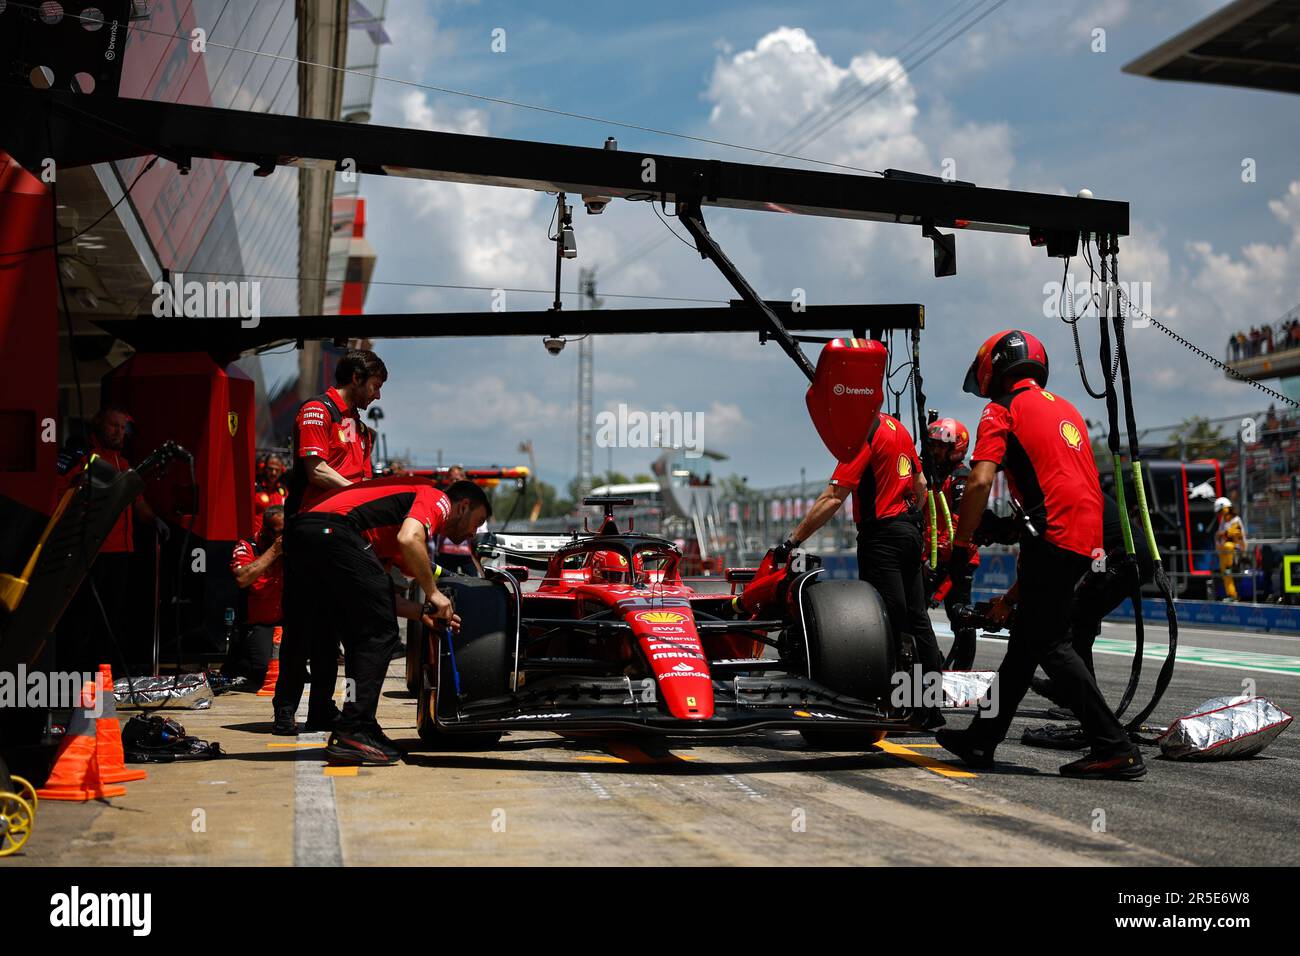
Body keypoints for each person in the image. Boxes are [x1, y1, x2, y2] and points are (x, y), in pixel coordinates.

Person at [936, 329, 1145, 780]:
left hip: (1055, 533)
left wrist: (960, 544)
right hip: (1088, 534)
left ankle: (1114, 746)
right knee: (1028, 642)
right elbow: (1067, 485)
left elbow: (977, 482)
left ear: (995, 367)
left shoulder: (1002, 409)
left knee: (1050, 642)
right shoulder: (1066, 408)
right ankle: (980, 740)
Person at [285, 478, 491, 765]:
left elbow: (381, 596)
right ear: (463, 506)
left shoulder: (381, 534)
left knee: (362, 637)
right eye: (477, 522)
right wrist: (433, 594)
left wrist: (422, 613)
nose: (472, 533)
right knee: (380, 634)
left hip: (304, 532)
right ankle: (354, 728)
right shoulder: (436, 498)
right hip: (331, 529)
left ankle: (356, 724)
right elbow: (409, 539)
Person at [779, 411, 945, 730]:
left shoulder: (865, 433)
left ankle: (894, 702)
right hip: (909, 529)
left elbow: (833, 497)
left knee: (886, 621)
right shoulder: (899, 428)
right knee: (917, 618)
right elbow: (921, 485)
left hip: (881, 536)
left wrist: (794, 538)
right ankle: (930, 707)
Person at [274, 349, 386, 736]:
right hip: (310, 532)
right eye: (375, 385)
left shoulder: (364, 430)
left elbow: (366, 482)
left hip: (346, 536)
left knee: (332, 629)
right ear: (356, 377)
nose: (378, 395)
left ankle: (321, 709)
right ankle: (285, 709)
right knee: (300, 626)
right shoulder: (317, 411)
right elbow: (316, 470)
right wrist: (360, 494)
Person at [53, 404, 167, 675]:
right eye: (112, 426)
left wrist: (156, 520)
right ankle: (75, 673)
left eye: (121, 427)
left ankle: (103, 673)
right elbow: (59, 494)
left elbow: (138, 503)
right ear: (98, 426)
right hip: (91, 551)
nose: (118, 432)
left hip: (121, 552)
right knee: (84, 616)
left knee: (112, 618)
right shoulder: (84, 458)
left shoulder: (123, 463)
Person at [922, 416, 980, 669]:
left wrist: (944, 551)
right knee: (914, 610)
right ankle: (927, 664)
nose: (933, 450)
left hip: (958, 556)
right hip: (932, 555)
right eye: (931, 444)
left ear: (954, 447)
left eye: (938, 446)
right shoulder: (932, 473)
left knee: (960, 615)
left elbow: (960, 520)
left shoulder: (961, 478)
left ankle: (962, 671)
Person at [228, 505, 285, 686]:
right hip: (257, 624)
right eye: (279, 532)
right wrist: (274, 551)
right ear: (266, 529)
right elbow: (242, 578)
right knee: (261, 674)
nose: (283, 537)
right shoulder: (247, 547)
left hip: (286, 622)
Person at [432, 465, 482, 576]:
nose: (454, 482)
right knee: (444, 584)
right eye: (451, 479)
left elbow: (481, 524)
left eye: (457, 479)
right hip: (445, 552)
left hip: (467, 554)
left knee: (474, 585)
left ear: (464, 479)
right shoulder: (443, 497)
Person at [1214, 496, 1247, 602]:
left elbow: (1232, 535)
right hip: (1226, 551)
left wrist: (1222, 535)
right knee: (1225, 574)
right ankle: (1232, 595)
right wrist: (1221, 536)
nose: (1220, 514)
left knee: (1228, 546)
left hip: (1236, 549)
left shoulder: (1236, 520)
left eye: (1221, 511)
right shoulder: (1224, 521)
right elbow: (1218, 536)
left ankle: (1229, 566)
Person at [252, 453, 287, 536]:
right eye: (270, 469)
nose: (273, 473)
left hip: (276, 538)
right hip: (257, 538)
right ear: (263, 468)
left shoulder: (284, 491)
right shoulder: (254, 488)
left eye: (277, 470)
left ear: (282, 470)